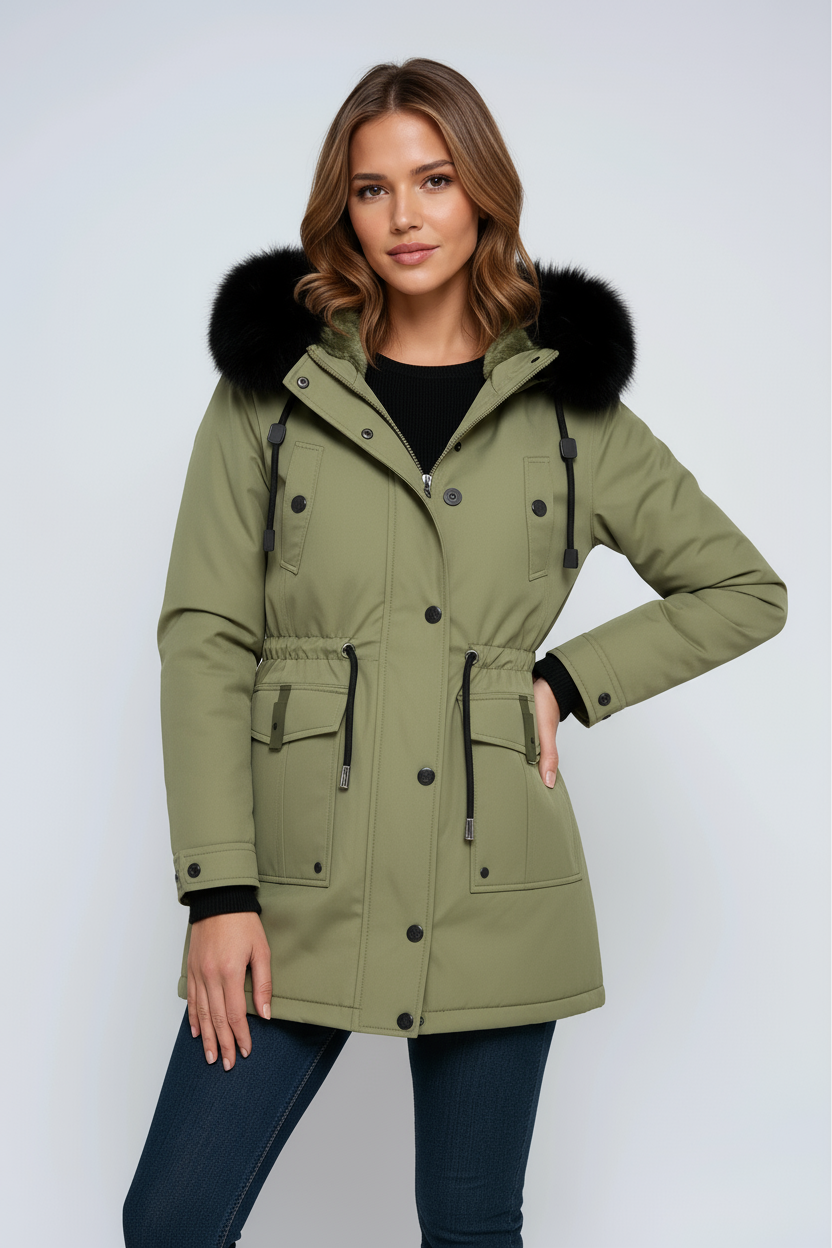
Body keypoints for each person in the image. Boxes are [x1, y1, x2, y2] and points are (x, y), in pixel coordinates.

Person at [123, 57, 787, 1248]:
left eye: (433, 179)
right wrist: (218, 891)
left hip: (497, 886)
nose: (406, 216)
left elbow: (742, 589)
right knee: (173, 1216)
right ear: (342, 208)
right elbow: (206, 638)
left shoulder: (572, 410)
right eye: (372, 189)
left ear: (483, 190)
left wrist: (568, 682)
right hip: (295, 882)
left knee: (471, 1225)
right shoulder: (271, 396)